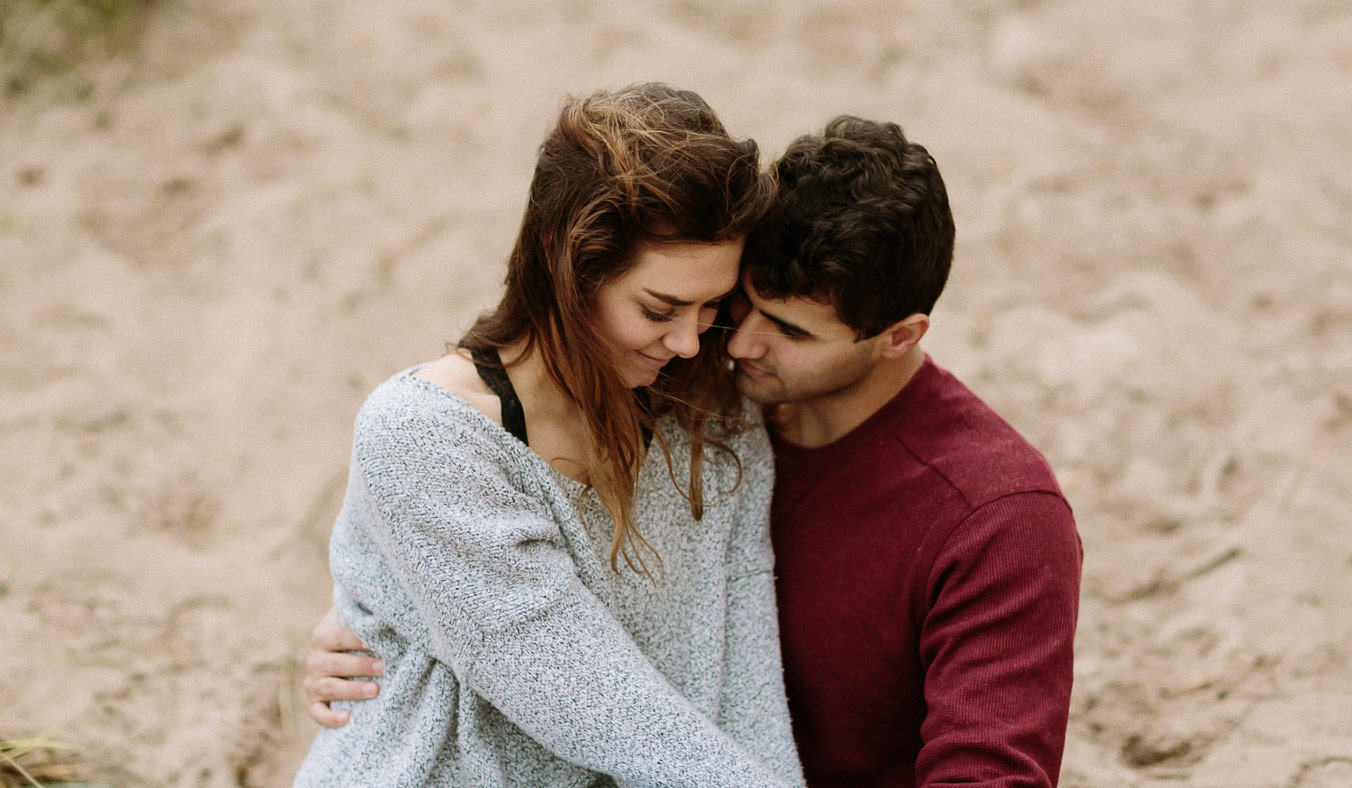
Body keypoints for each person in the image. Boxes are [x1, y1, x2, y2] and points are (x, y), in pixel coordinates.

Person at [306, 117, 1083, 788]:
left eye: (791, 331)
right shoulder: (703, 394)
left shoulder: (992, 516)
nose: (730, 343)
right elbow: (554, 630)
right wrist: (397, 604)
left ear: (899, 338)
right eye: (735, 307)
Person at [291, 83, 805, 788]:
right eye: (660, 308)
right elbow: (590, 699)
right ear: (567, 267)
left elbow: (747, 678)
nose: (690, 341)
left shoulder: (714, 424)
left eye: (712, 305)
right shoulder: (421, 437)